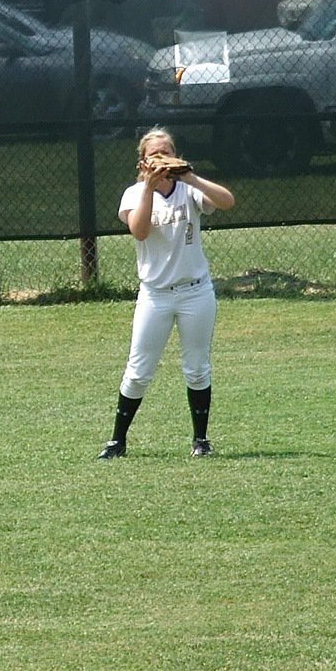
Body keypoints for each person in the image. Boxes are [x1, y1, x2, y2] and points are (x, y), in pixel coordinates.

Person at [100, 128, 235, 460]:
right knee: (138, 370)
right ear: (143, 162)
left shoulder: (188, 190)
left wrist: (190, 176)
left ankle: (201, 440)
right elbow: (140, 231)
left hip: (195, 292)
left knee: (197, 368)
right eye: (154, 155)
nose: (161, 159)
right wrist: (149, 186)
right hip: (156, 295)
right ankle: (117, 441)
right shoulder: (134, 193)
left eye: (167, 152)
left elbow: (227, 202)